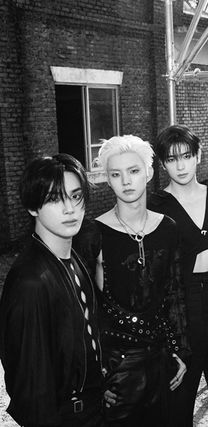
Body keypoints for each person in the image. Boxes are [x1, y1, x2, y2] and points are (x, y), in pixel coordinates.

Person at [75, 135, 189, 426]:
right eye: (116, 174)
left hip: (161, 362)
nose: (126, 181)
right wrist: (94, 375)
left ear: (148, 173)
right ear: (108, 180)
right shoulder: (92, 233)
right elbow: (81, 309)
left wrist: (179, 351)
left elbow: (175, 293)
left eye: (134, 171)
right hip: (115, 369)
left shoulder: (168, 228)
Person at [148, 125, 208, 426]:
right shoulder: (154, 207)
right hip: (180, 306)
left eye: (186, 156)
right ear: (162, 163)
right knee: (178, 401)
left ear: (198, 156)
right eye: (172, 159)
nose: (180, 166)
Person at [0, 154, 104, 427]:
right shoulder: (31, 282)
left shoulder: (72, 257)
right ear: (32, 207)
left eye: (76, 196)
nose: (70, 209)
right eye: (55, 199)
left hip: (93, 410)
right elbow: (31, 392)